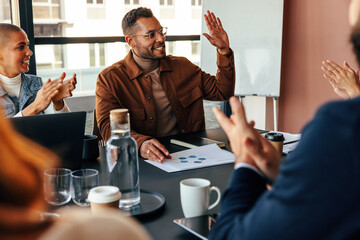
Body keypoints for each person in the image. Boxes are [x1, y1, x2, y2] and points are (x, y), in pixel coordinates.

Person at [209, 1, 360, 239]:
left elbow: (228, 236)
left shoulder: (340, 128)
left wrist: (246, 162)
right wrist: (279, 172)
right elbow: (336, 194)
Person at [96, 7, 235, 162]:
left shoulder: (183, 66)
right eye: (151, 35)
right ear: (131, 41)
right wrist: (140, 144)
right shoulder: (110, 79)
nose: (161, 39)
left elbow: (223, 92)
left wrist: (224, 51)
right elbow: (107, 128)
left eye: (161, 31)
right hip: (142, 161)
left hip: (190, 156)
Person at [0, 23, 76, 118]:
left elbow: (66, 128)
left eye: (28, 45)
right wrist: (35, 107)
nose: (30, 52)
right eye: (20, 47)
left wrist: (57, 102)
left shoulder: (37, 84)